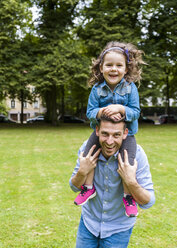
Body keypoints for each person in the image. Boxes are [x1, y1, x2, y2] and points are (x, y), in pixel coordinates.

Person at [74, 41, 145, 218]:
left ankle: (128, 197)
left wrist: (120, 109)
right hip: (101, 133)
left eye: (119, 65)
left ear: (126, 69)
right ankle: (88, 188)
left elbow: (135, 112)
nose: (114, 69)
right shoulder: (97, 90)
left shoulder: (130, 89)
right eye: (109, 65)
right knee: (88, 155)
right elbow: (90, 112)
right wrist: (101, 111)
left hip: (125, 135)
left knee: (127, 162)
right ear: (101, 68)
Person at [69, 115, 155, 247]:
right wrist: (82, 172)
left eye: (116, 135)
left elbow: (148, 202)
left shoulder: (136, 155)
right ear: (97, 130)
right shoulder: (88, 149)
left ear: (125, 133)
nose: (109, 142)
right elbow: (74, 187)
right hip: (88, 224)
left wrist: (130, 181)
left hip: (118, 229)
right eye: (105, 134)